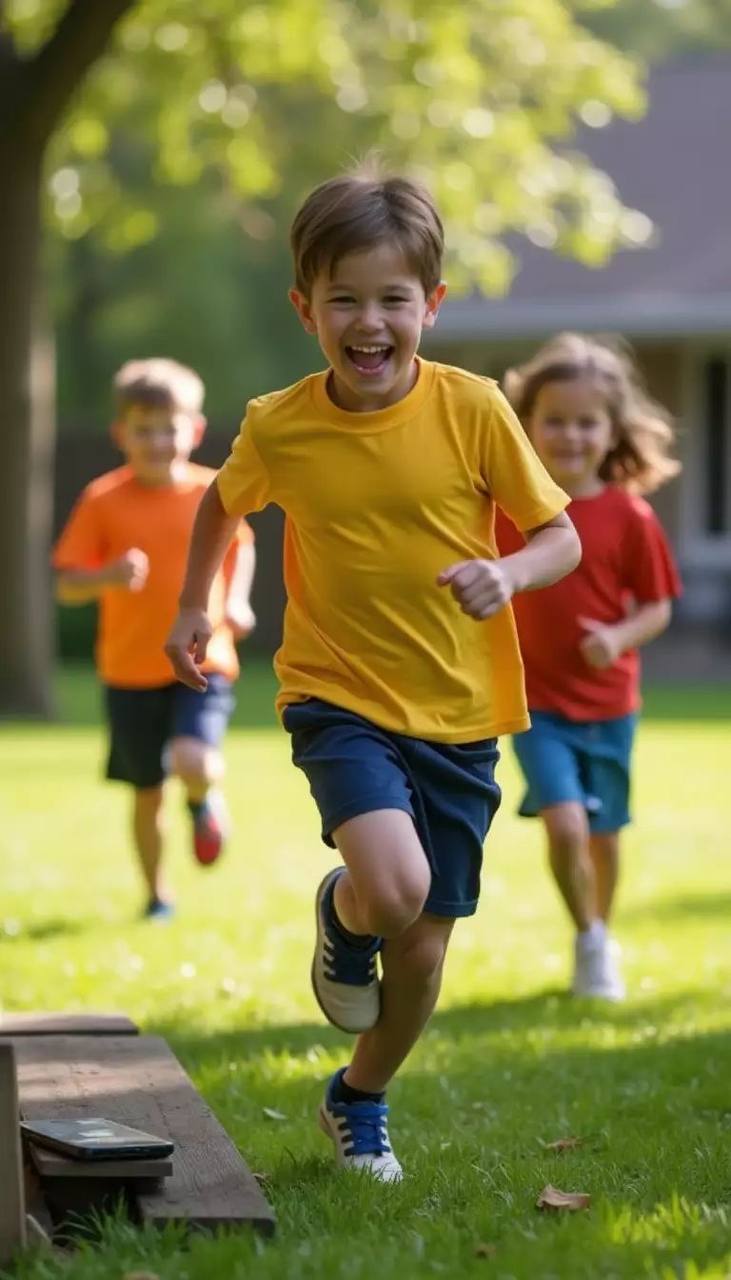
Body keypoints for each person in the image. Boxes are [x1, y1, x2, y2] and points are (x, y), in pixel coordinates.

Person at [165, 167, 580, 1181]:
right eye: (343, 298)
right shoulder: (281, 424)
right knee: (395, 888)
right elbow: (222, 502)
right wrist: (192, 605)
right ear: (305, 307)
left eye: (392, 298)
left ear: (429, 306)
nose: (369, 321)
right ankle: (348, 907)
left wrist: (508, 568)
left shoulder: (473, 410)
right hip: (336, 693)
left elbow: (556, 534)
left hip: (459, 709)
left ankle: (357, 1096)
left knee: (426, 951)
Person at [496, 332, 682, 1001]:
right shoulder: (507, 509)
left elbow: (658, 606)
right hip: (532, 702)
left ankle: (598, 930)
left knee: (603, 836)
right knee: (565, 822)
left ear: (610, 431)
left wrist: (617, 635)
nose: (569, 436)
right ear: (526, 425)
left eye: (585, 422)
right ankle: (587, 938)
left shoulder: (628, 515)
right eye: (554, 420)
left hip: (608, 704)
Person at [54, 357, 255, 921]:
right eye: (143, 429)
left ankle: (203, 798)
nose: (157, 441)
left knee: (193, 757)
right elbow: (68, 585)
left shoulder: (211, 491)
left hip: (201, 658)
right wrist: (107, 576)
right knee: (146, 792)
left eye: (169, 427)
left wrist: (235, 600)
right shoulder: (102, 499)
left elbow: (242, 546)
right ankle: (157, 894)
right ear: (121, 434)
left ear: (192, 430)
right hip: (128, 670)